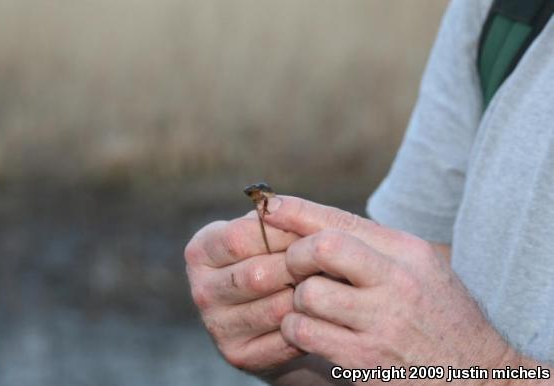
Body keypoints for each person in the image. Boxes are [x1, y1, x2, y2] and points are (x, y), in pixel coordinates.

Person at [185, 0, 554, 384]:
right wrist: (286, 341)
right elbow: (392, 363)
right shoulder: (500, 11)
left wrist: (484, 370)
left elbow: (444, 360)